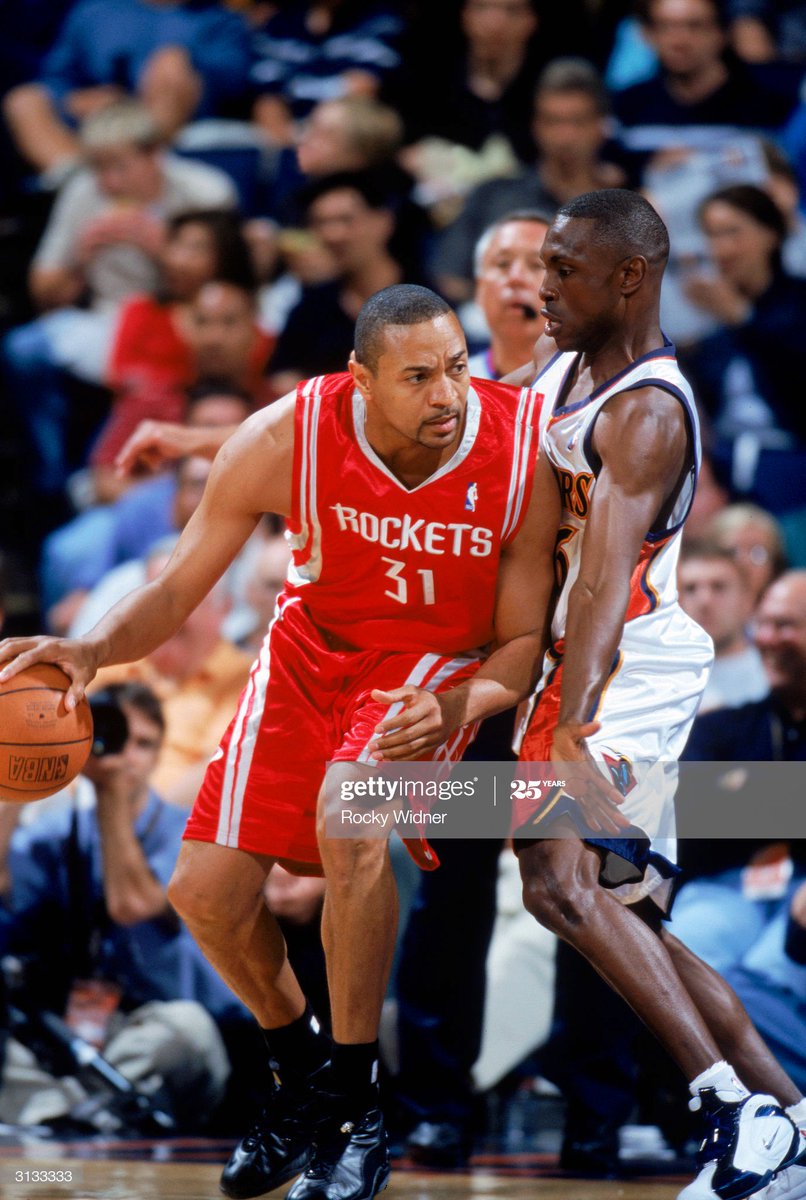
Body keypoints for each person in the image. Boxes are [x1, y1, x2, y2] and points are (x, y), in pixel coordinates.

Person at [0, 283, 559, 1200]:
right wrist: (93, 648)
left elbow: (522, 642)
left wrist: (461, 711)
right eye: (418, 377)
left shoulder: (520, 450)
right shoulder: (285, 436)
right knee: (205, 894)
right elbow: (178, 591)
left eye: (456, 367)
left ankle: (356, 1101)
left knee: (350, 810)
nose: (447, 393)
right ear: (359, 380)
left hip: (433, 671)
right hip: (309, 654)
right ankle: (302, 1076)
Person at [508, 189, 806, 1200]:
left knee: (557, 878)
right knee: (632, 914)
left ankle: (735, 1114)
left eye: (560, 269)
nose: (540, 288)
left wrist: (570, 725)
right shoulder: (564, 371)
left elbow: (598, 583)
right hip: (581, 664)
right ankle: (791, 1121)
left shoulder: (643, 409)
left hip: (626, 667)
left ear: (628, 276)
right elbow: (460, 426)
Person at [0, 682, 245, 1133]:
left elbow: (132, 904)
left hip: (173, 1032)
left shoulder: (193, 830)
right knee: (17, 1039)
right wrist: (21, 773)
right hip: (83, 1035)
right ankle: (80, 1117)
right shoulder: (57, 833)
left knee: (182, 1030)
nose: (127, 755)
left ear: (158, 755)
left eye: (144, 743)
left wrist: (111, 792)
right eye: (112, 738)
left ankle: (59, 1114)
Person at [677, 540, 768, 713]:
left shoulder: (776, 678)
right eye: (690, 589)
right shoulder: (658, 678)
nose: (705, 601)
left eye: (718, 587)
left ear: (748, 600)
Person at [467, 209, 550, 379]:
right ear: (479, 289)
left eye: (536, 265)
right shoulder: (454, 390)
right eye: (503, 264)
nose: (516, 277)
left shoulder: (593, 387)